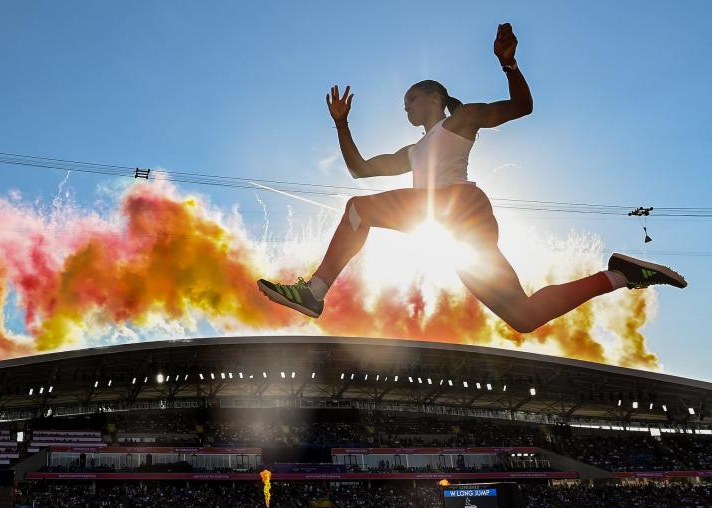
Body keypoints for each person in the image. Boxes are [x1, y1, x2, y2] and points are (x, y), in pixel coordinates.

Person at [257, 23, 686, 332]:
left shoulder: (461, 120)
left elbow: (522, 107)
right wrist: (342, 125)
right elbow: (360, 169)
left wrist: (510, 63)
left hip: (457, 206)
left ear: (433, 97)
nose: (404, 108)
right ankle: (622, 275)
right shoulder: (413, 151)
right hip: (457, 232)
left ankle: (315, 291)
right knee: (523, 317)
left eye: (410, 100)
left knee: (361, 210)